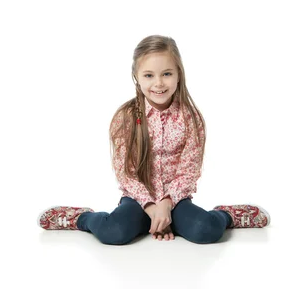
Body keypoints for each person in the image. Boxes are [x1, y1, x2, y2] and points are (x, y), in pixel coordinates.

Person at [38, 35, 270, 245]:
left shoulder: (190, 118)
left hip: (175, 200)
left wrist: (167, 205)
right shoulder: (126, 117)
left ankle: (228, 215)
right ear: (136, 77)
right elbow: (125, 172)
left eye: (167, 74)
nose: (158, 83)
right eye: (149, 75)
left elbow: (189, 170)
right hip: (139, 199)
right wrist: (151, 207)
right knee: (114, 232)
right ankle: (82, 218)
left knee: (205, 230)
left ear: (179, 74)